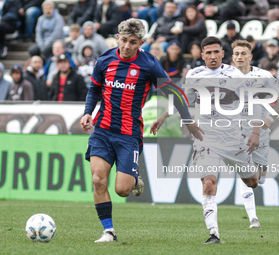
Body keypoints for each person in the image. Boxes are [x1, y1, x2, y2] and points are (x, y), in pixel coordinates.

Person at [80, 18, 200, 243]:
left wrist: (186, 119)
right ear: (117, 38)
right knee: (98, 179)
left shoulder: (149, 64)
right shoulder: (105, 59)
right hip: (103, 129)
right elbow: (94, 89)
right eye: (124, 40)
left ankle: (133, 179)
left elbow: (174, 93)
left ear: (140, 43)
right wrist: (88, 112)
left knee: (123, 190)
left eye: (132, 42)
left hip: (128, 134)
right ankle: (109, 231)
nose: (127, 46)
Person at [151, 36, 262, 244]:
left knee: (252, 182)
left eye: (216, 52)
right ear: (202, 56)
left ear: (222, 54)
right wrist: (163, 116)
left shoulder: (234, 74)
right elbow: (181, 99)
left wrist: (255, 132)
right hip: (204, 137)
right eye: (208, 53)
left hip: (233, 137)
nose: (212, 56)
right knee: (209, 183)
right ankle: (214, 234)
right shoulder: (194, 74)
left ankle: (253, 170)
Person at [232, 39, 279, 228]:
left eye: (243, 53)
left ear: (250, 56)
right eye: (237, 54)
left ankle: (258, 175)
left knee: (258, 177)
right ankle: (253, 218)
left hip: (260, 132)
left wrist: (270, 120)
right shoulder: (225, 77)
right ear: (233, 57)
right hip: (236, 132)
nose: (240, 57)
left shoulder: (263, 76)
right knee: (244, 172)